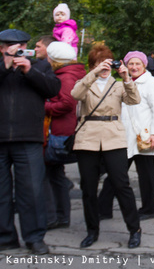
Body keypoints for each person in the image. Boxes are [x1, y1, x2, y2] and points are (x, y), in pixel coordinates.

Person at [71, 44, 142, 249]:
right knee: (88, 188)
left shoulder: (118, 85)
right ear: (92, 65)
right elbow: (75, 94)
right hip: (87, 137)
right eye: (97, 63)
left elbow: (134, 100)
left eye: (106, 63)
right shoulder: (85, 83)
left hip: (113, 136)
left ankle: (134, 229)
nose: (103, 68)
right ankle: (92, 230)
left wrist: (126, 77)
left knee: (122, 185)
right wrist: (93, 73)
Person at [0, 28, 60, 255]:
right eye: (10, 47)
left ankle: (35, 238)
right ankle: (5, 237)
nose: (16, 50)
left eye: (21, 46)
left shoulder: (40, 67)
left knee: (32, 191)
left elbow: (54, 89)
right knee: (1, 192)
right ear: (2, 48)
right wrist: (5, 67)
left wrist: (28, 71)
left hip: (29, 139)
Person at [98, 51, 154, 220]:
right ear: (126, 65)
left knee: (147, 174)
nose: (134, 67)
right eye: (131, 64)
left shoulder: (151, 83)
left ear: (144, 65)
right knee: (116, 172)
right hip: (123, 135)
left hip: (144, 136)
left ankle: (149, 209)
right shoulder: (122, 82)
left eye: (138, 64)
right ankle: (103, 208)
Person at [43, 41, 85, 230]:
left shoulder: (65, 77)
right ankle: (60, 216)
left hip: (59, 133)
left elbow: (67, 103)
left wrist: (42, 107)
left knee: (47, 175)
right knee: (56, 175)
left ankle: (53, 216)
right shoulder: (71, 74)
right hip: (63, 132)